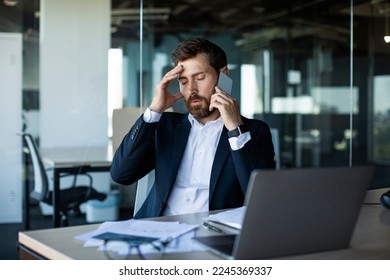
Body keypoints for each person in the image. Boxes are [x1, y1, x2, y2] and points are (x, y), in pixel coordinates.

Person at [110, 37, 275, 219]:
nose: (191, 89)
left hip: (213, 234)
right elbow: (121, 174)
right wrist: (154, 110)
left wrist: (235, 129)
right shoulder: (166, 126)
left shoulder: (254, 131)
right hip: (157, 229)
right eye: (184, 81)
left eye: (200, 77)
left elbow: (262, 197)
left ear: (224, 76)